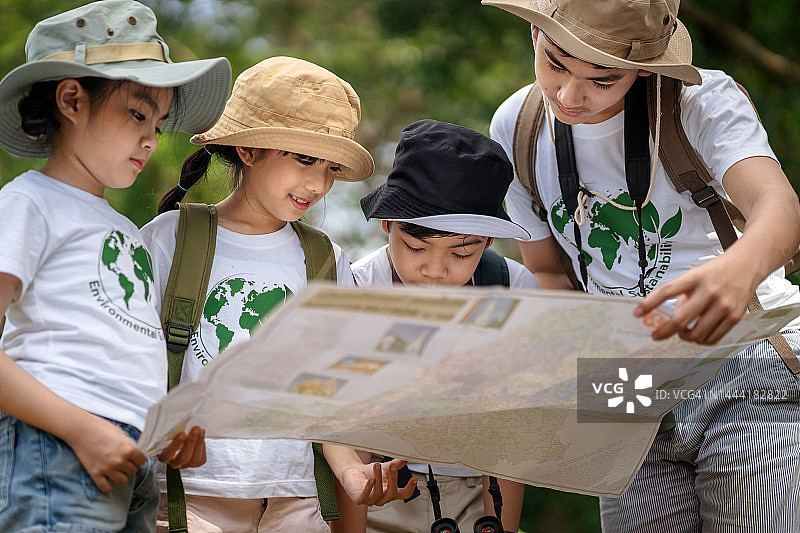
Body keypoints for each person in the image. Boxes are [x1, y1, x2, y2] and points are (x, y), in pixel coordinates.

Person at [483, 0, 800, 530]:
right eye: (555, 62)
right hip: (625, 388)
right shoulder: (517, 124)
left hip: (745, 362)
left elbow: (780, 207)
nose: (569, 96)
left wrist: (738, 270)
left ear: (643, 68)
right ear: (534, 36)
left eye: (603, 80)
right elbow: (550, 272)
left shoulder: (699, 101)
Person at [141, 56, 416, 533]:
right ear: (249, 150)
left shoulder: (325, 259)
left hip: (297, 499)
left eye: (331, 167)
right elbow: (127, 368)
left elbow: (329, 392)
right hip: (188, 497)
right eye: (304, 159)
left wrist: (352, 472)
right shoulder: (171, 239)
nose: (318, 184)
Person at [0, 1, 232, 531]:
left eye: (158, 120)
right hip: (58, 446)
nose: (152, 137)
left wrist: (164, 429)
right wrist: (82, 431)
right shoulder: (28, 203)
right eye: (136, 112)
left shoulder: (125, 230)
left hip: (134, 458)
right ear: (72, 99)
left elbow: (118, 345)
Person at [351, 119, 535, 533]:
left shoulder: (511, 288)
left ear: (487, 242)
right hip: (380, 489)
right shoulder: (359, 288)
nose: (435, 271)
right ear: (388, 225)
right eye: (416, 247)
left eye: (461, 253)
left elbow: (510, 433)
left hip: (479, 490)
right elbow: (347, 433)